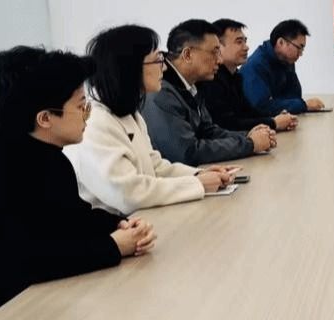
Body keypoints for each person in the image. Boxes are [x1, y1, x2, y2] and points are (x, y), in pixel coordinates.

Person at [0, 47, 156, 319]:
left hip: (24, 293)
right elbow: (26, 259)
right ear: (44, 118)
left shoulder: (44, 153)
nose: (88, 115)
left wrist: (118, 224)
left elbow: (69, 218)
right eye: (81, 106)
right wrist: (113, 247)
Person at [66, 24, 234, 215]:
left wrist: (199, 174)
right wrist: (196, 183)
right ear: (130, 68)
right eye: (157, 60)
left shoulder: (130, 114)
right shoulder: (96, 123)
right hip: (116, 226)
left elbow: (155, 167)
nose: (164, 66)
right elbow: (129, 194)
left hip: (141, 219)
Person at [143, 19, 275, 166]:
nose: (219, 60)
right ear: (187, 55)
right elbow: (187, 152)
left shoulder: (191, 85)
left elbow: (208, 131)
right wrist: (249, 144)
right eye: (214, 52)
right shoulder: (160, 92)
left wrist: (248, 136)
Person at [197, 18, 298, 133]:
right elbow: (226, 124)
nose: (246, 47)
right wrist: (273, 123)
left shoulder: (234, 77)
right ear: (218, 46)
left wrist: (276, 117)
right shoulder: (211, 80)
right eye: (239, 42)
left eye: (245, 41)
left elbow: (247, 112)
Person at [240, 18, 327, 116]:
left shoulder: (286, 61)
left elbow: (293, 96)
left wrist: (299, 105)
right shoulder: (255, 66)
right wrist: (303, 105)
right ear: (281, 42)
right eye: (299, 48)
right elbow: (261, 107)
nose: (301, 54)